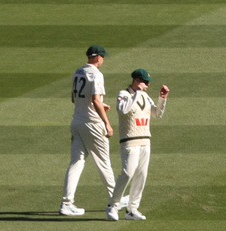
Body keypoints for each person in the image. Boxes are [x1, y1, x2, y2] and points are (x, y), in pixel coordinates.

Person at [60, 45, 124, 216]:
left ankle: (67, 203)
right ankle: (115, 199)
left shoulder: (78, 72)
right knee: (104, 163)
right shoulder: (96, 74)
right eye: (102, 57)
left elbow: (76, 98)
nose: (103, 60)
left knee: (76, 163)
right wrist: (107, 124)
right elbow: (95, 100)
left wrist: (100, 105)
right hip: (93, 124)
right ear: (97, 58)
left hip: (77, 123)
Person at [107, 69, 169, 221]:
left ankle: (132, 209)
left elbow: (156, 114)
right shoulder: (123, 94)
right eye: (145, 82)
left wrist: (162, 99)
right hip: (129, 140)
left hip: (145, 141)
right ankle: (113, 205)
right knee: (127, 173)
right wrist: (138, 93)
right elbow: (123, 110)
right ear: (136, 81)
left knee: (141, 175)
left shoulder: (146, 96)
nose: (148, 85)